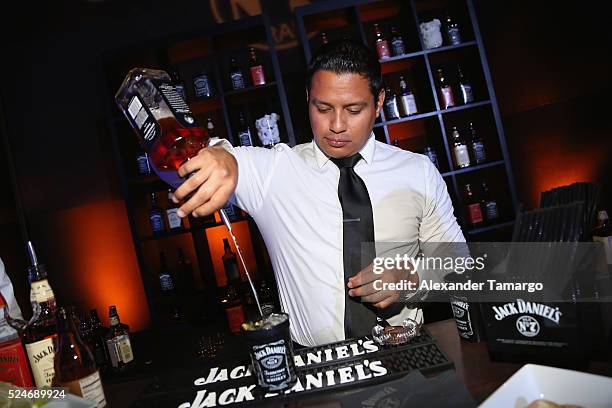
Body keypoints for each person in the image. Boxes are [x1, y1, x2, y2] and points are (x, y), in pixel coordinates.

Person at [173, 40, 465, 347]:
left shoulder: (417, 171)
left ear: (379, 103)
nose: (336, 126)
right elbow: (205, 160)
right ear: (308, 100)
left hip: (407, 351)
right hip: (317, 368)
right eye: (323, 108)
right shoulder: (275, 171)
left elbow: (459, 261)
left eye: (354, 109)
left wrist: (412, 277)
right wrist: (220, 155)